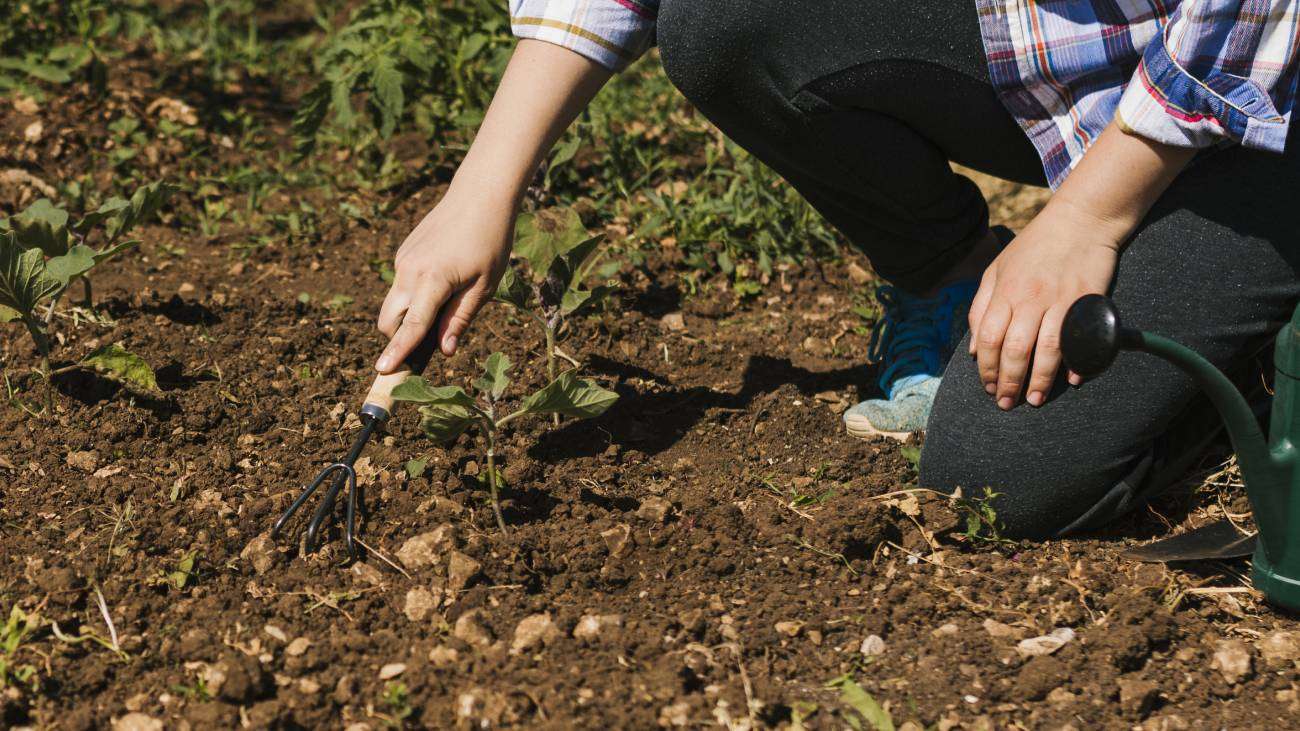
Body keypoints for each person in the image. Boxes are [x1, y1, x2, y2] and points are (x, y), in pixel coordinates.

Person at [373, 1, 1300, 538]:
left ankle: (1244, 375)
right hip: (1084, 54)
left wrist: (1088, 219)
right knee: (725, 20)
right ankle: (950, 276)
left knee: (998, 478)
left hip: (1267, 103)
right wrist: (483, 185)